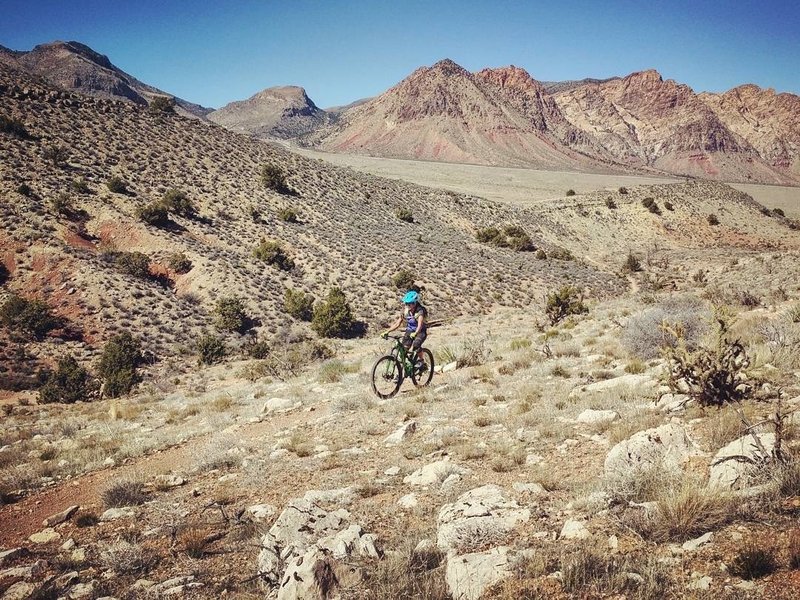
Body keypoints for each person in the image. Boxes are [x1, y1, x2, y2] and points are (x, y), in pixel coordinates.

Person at [382, 289, 428, 369]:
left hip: (420, 331)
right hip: (410, 330)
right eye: (406, 303)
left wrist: (416, 333)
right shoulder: (405, 311)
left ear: (415, 303)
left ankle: (421, 361)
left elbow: (420, 325)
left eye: (410, 303)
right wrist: (387, 331)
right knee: (403, 352)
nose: (408, 305)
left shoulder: (420, 311)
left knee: (416, 345)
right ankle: (402, 372)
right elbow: (397, 323)